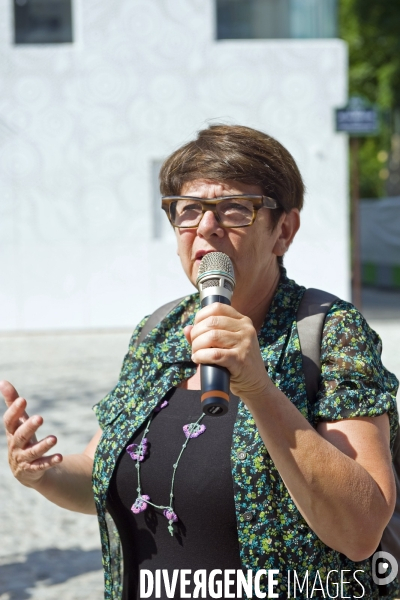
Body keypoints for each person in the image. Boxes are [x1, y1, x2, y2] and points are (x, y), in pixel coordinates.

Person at [2, 124, 399, 600]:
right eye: (188, 210)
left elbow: (359, 532)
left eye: (234, 209)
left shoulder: (325, 331)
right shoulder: (159, 330)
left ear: (284, 230)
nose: (206, 227)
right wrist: (45, 472)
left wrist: (257, 386)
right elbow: (100, 472)